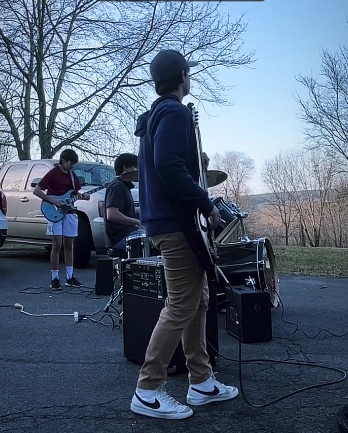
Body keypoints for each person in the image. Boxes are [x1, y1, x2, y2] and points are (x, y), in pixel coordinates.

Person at [132, 49, 239, 420]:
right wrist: (204, 203)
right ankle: (147, 389)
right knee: (180, 304)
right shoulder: (175, 112)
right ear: (183, 76)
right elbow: (168, 165)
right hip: (175, 225)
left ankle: (201, 381)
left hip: (167, 223)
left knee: (199, 299)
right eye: (188, 74)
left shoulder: (155, 116)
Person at [33, 149, 90, 290]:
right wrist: (53, 201)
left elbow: (74, 192)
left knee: (69, 246)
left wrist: (83, 196)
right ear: (63, 160)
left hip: (70, 212)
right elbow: (37, 190)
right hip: (54, 213)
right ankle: (55, 278)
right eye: (71, 163)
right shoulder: (53, 173)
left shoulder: (72, 176)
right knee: (57, 244)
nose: (72, 167)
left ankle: (70, 277)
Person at [104, 153, 141, 258]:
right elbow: (111, 214)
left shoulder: (124, 186)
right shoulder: (117, 186)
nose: (137, 170)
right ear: (126, 168)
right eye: (135, 167)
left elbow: (124, 211)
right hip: (119, 238)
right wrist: (137, 222)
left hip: (124, 235)